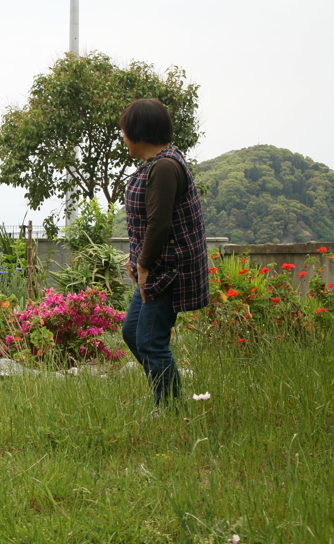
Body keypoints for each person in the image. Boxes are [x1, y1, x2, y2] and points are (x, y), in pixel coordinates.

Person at [119, 98, 209, 407]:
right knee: (133, 332)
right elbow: (148, 223)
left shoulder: (166, 167)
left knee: (151, 341)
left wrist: (142, 264)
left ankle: (170, 407)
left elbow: (159, 224)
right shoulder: (157, 164)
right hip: (155, 268)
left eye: (125, 131)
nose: (123, 137)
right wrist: (138, 260)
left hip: (168, 270)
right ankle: (166, 393)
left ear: (138, 132)